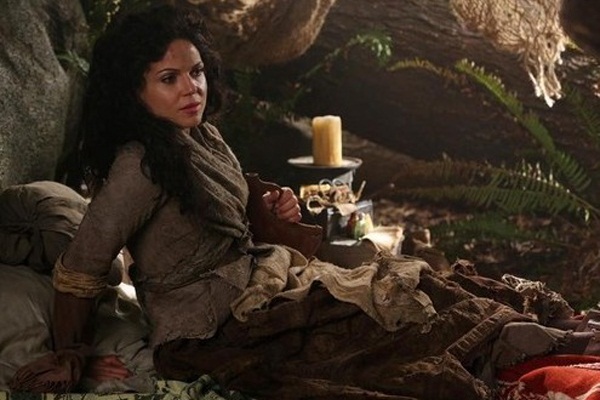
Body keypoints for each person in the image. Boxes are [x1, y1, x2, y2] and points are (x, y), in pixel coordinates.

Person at [9, 2, 600, 399]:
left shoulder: (197, 134)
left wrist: (272, 213)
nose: (192, 88)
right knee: (391, 332)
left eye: (196, 72)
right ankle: (550, 356)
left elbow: (228, 210)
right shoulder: (138, 166)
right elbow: (80, 267)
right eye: (170, 78)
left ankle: (563, 341)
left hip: (259, 285)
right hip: (213, 329)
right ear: (133, 92)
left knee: (415, 284)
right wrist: (75, 354)